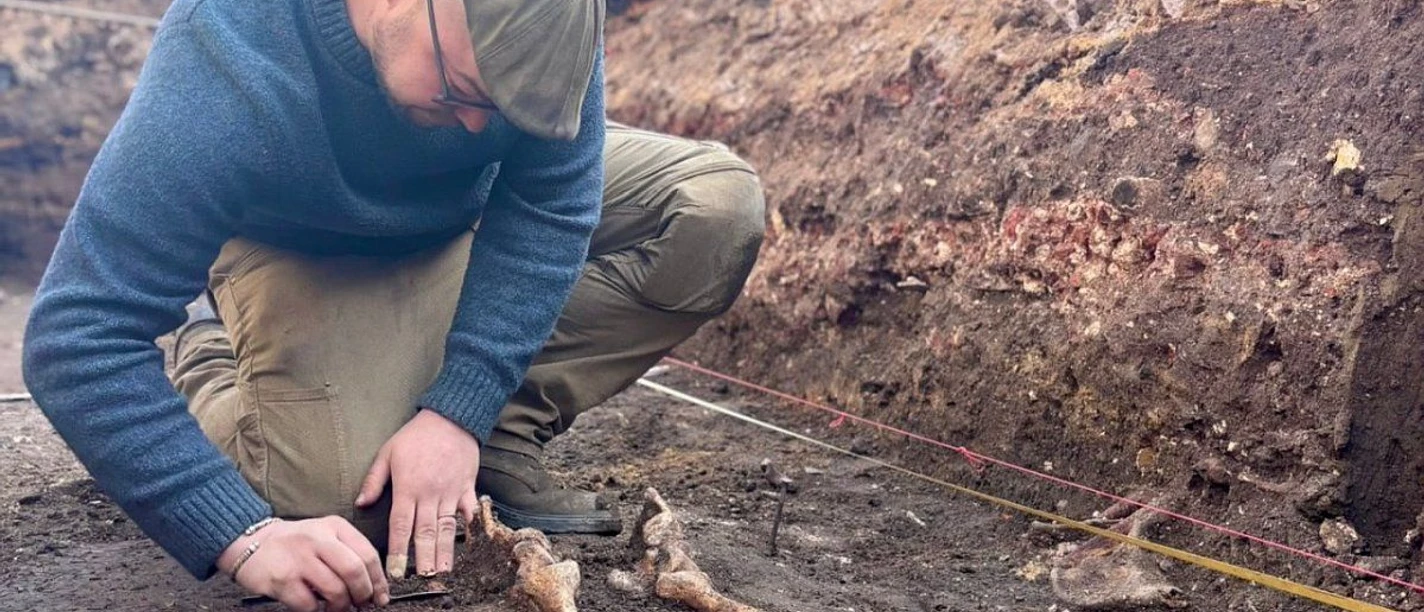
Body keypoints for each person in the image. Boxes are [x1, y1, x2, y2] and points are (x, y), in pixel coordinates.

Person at [20, 0, 765, 609]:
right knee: (341, 504)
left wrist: (458, 412)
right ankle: (211, 359)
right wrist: (241, 535)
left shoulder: (545, 23)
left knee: (714, 210)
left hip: (463, 210)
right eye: (466, 94)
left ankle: (499, 436)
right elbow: (79, 332)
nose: (480, 128)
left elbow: (551, 202)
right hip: (299, 242)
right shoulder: (227, 54)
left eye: (499, 106)